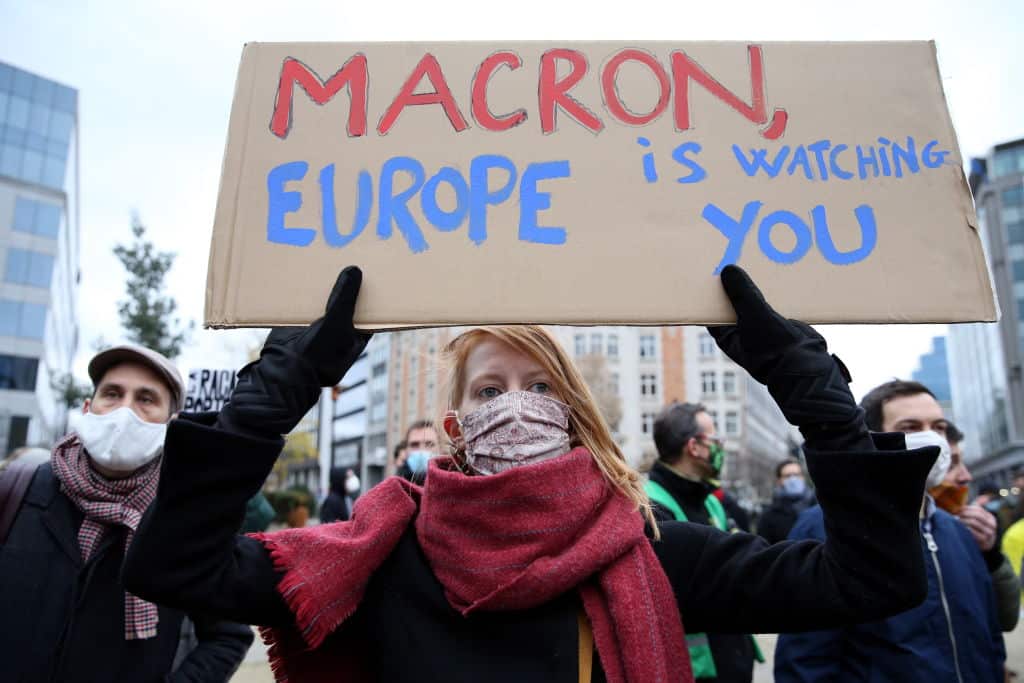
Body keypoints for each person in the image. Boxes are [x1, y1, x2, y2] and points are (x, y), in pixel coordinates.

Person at [125, 266, 937, 682]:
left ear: (574, 414)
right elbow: (174, 564)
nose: (516, 405)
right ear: (456, 425)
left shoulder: (648, 548)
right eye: (489, 389)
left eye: (541, 386)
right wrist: (280, 387)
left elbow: (871, 577)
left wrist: (810, 386)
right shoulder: (381, 552)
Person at [0, 343, 253, 682]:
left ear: (171, 423)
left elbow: (228, 635)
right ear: (89, 408)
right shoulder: (20, 489)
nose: (125, 411)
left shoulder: (190, 519)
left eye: (146, 399)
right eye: (113, 394)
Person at [776, 379, 1016, 683]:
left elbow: (990, 637)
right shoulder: (826, 527)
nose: (932, 437)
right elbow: (805, 659)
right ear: (873, 440)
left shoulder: (957, 531)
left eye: (939, 427)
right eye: (911, 427)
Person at [648, 402, 763, 682]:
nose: (720, 447)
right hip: (696, 671)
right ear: (695, 447)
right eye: (715, 439)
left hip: (732, 660)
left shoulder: (711, 501)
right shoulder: (650, 507)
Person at [757, 459, 816, 544]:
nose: (793, 479)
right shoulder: (768, 516)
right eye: (787, 476)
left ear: (803, 477)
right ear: (779, 480)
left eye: (796, 474)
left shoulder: (820, 508)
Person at [396, 419, 441, 484]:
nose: (421, 451)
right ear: (406, 450)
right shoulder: (394, 486)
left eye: (429, 444)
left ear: (440, 448)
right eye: (414, 445)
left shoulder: (453, 485)